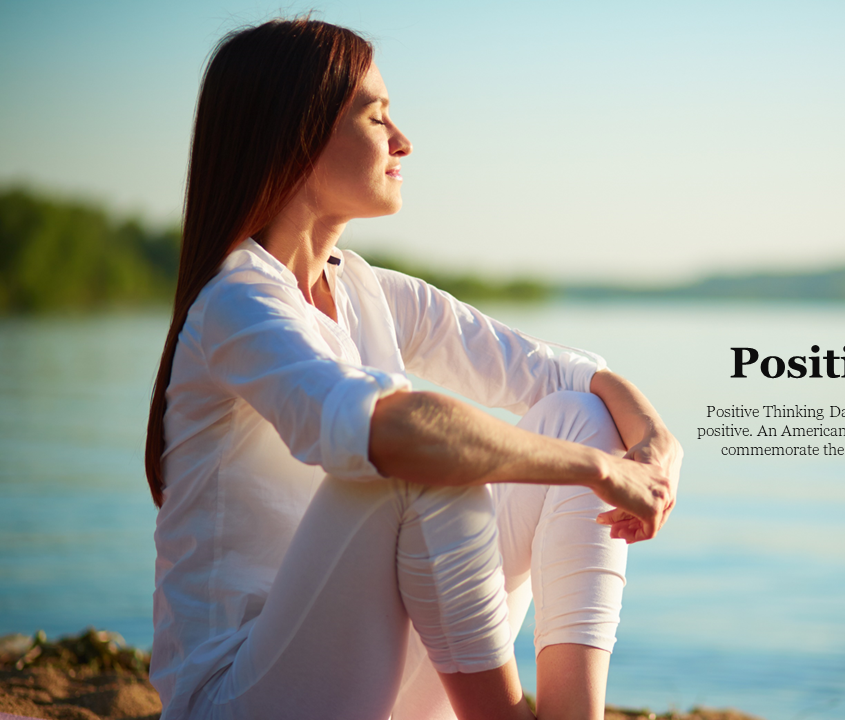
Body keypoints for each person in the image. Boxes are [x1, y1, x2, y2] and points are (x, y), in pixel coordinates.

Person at [143, 18, 681, 720]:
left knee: (580, 417)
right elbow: (391, 431)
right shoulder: (237, 304)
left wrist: (653, 445)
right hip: (242, 698)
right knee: (417, 460)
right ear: (296, 134)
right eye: (376, 116)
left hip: (371, 684)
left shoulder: (369, 290)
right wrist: (599, 471)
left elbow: (567, 379)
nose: (403, 141)